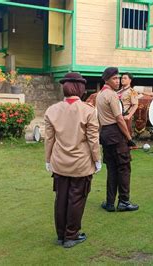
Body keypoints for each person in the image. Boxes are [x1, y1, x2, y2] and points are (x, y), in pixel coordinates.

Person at [44, 72, 101, 248]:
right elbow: (93, 139)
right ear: (81, 88)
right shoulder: (88, 110)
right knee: (76, 198)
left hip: (59, 162)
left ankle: (61, 235)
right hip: (80, 163)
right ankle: (71, 235)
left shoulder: (52, 110)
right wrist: (97, 159)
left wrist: (48, 160)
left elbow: (49, 139)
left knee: (60, 198)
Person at [96, 67, 139, 212]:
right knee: (124, 168)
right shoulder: (112, 95)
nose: (118, 81)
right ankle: (124, 201)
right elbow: (119, 119)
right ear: (107, 79)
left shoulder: (99, 95)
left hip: (106, 135)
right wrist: (129, 138)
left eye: (118, 78)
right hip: (115, 133)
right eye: (114, 78)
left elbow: (100, 120)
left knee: (112, 169)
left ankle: (110, 203)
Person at [117, 73, 138, 138]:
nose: (122, 80)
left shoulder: (132, 91)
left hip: (126, 117)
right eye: (122, 78)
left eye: (125, 78)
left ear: (130, 80)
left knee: (126, 136)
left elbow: (135, 105)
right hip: (118, 116)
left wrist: (129, 116)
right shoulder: (118, 91)